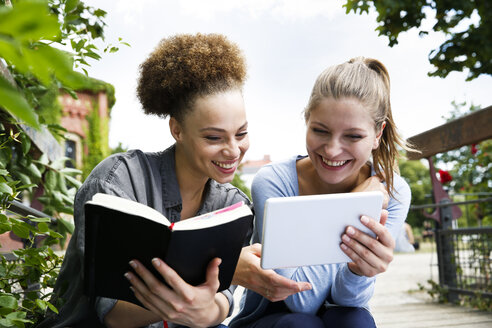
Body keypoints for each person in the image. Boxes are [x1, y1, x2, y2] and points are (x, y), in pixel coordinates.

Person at [38, 33, 303, 328]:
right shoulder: (117, 181)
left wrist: (208, 307)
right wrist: (220, 274)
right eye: (214, 137)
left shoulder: (235, 206)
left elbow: (221, 305)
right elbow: (113, 314)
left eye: (241, 133)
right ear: (177, 130)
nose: (232, 150)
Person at [230, 57, 412, 328]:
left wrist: (359, 270)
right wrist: (350, 206)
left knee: (357, 321)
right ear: (307, 121)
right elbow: (302, 299)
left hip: (343, 312)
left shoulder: (394, 193)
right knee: (302, 325)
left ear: (377, 134)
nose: (332, 150)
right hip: (273, 318)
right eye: (320, 131)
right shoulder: (274, 182)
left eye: (352, 136)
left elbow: (347, 300)